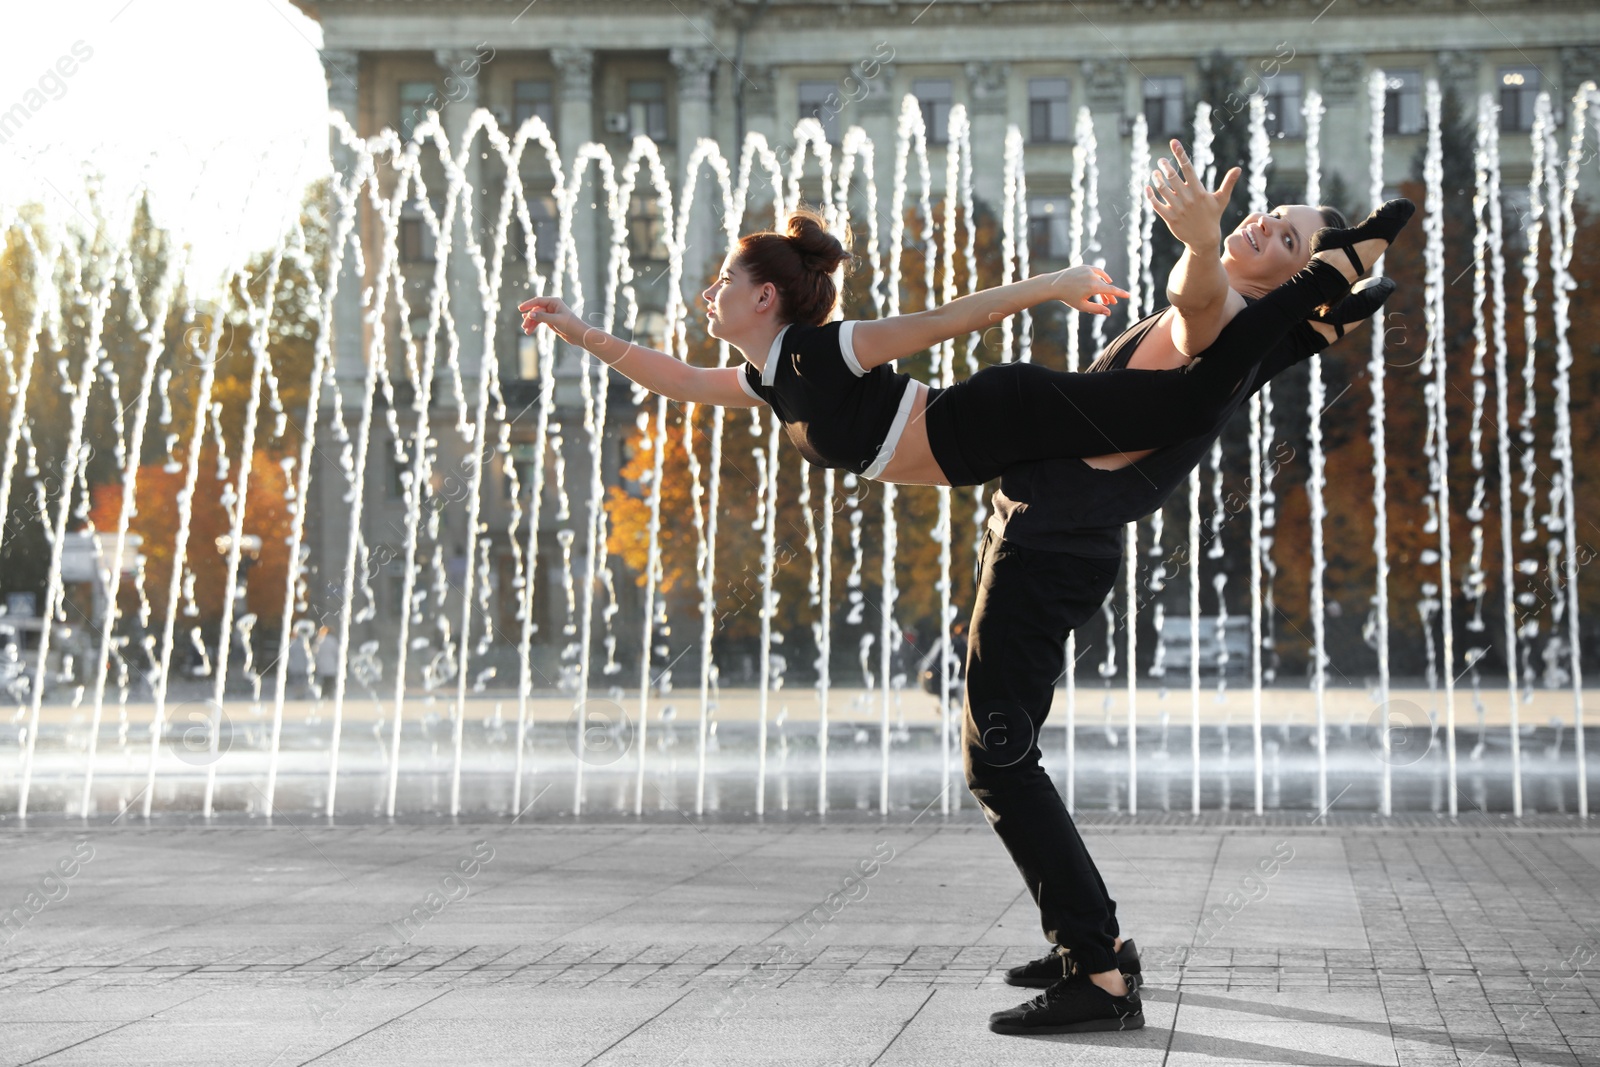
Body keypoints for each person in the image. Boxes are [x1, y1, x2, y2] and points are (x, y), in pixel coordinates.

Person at [975, 143, 1411, 1036]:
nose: (1265, 222)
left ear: (1295, 271)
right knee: (1004, 756)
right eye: (1272, 214)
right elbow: (1254, 342)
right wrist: (1299, 309)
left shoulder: (1214, 314)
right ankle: (1093, 946)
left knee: (1000, 760)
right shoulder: (1249, 334)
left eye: (1285, 237)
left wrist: (1206, 246)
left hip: (1048, 547)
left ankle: (1096, 971)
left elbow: (1192, 305)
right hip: (1056, 541)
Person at [515, 147, 1402, 488]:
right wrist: (571, 327)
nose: (706, 297)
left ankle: (1315, 298)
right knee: (1183, 400)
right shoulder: (767, 377)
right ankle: (1311, 323)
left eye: (720, 282)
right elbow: (669, 377)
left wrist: (1053, 283)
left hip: (992, 418)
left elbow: (950, 316)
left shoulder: (834, 351)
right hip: (987, 443)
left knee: (1179, 403)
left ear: (765, 297)